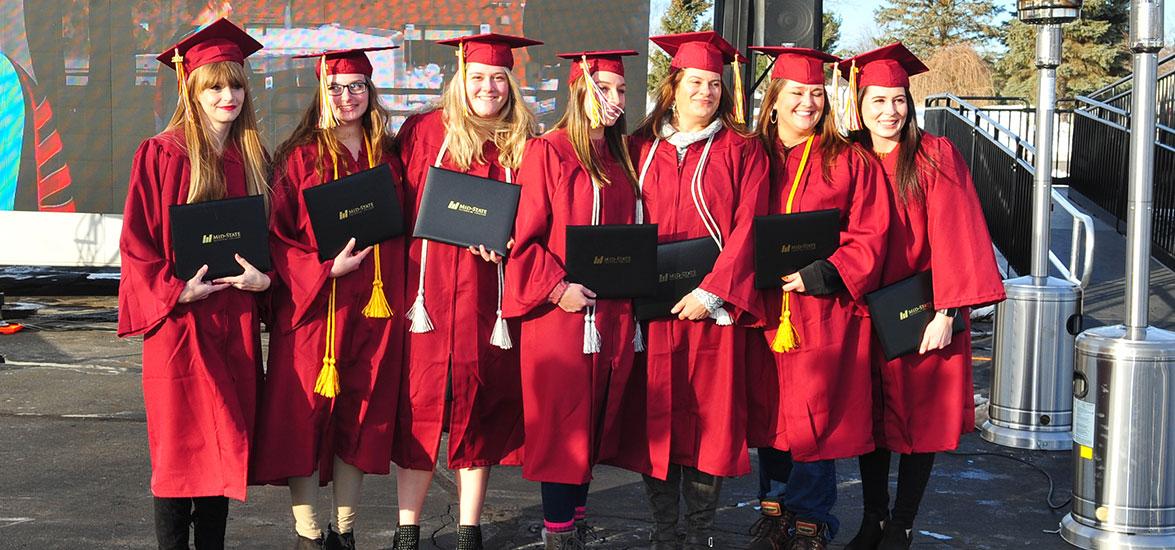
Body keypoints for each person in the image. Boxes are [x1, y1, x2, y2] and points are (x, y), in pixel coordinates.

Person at [838, 43, 1005, 550]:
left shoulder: (934, 154)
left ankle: (903, 523)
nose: (890, 112)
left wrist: (948, 311)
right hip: (863, 309)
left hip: (920, 309)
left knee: (918, 421)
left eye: (899, 101)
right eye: (877, 102)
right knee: (872, 420)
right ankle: (872, 518)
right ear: (858, 105)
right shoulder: (849, 156)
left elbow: (960, 233)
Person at [116, 18, 270, 550]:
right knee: (181, 451)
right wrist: (176, 291)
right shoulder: (161, 154)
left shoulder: (251, 160)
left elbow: (273, 243)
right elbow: (137, 246)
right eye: (215, 86)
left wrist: (262, 279)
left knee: (225, 443)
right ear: (191, 89)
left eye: (235, 84)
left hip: (236, 323)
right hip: (181, 325)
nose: (228, 95)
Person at [612, 31, 769, 550]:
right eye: (696, 82)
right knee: (654, 421)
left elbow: (750, 226)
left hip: (711, 311)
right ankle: (663, 533)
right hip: (651, 314)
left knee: (709, 421)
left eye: (715, 84)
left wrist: (714, 292)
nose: (707, 92)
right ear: (673, 85)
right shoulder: (638, 146)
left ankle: (699, 533)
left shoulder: (744, 150)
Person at [251, 46, 407, 550]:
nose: (347, 96)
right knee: (305, 418)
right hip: (316, 309)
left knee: (360, 418)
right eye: (336, 87)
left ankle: (345, 530)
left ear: (371, 91)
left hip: (375, 310)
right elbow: (276, 239)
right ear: (320, 92)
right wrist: (324, 269)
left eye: (357, 86)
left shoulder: (388, 155)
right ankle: (308, 534)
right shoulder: (298, 157)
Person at [391, 32, 540, 550]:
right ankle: (406, 529)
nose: (489, 87)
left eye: (499, 77)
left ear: (511, 84)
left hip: (486, 296)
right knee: (420, 407)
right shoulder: (424, 131)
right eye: (478, 76)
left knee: (478, 405)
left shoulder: (523, 140)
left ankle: (469, 530)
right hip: (425, 297)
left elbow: (536, 217)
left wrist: (512, 240)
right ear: (460, 79)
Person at [743, 46, 890, 550]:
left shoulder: (849, 160)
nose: (808, 102)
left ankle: (811, 521)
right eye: (797, 93)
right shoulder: (749, 153)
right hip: (762, 309)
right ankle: (774, 510)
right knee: (769, 412)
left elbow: (870, 234)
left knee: (813, 415)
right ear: (774, 98)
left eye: (816, 92)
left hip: (823, 311)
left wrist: (824, 274)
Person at [504, 49, 641, 550]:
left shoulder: (618, 156)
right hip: (561, 316)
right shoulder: (549, 150)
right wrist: (557, 289)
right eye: (604, 88)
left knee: (594, 423)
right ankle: (558, 535)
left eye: (622, 91)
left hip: (610, 313)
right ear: (579, 89)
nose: (614, 99)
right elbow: (524, 237)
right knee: (563, 424)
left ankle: (574, 524)